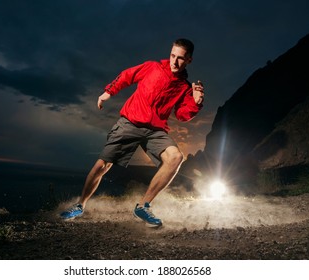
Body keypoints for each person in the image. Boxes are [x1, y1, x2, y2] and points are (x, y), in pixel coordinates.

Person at [60, 38, 204, 227]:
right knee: (101, 167)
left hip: (155, 130)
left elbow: (183, 115)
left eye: (180, 58)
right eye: (172, 56)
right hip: (130, 122)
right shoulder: (152, 67)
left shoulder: (185, 88)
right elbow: (127, 75)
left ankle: (143, 207)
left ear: (189, 60)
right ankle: (79, 205)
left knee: (175, 157)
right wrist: (108, 92)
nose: (174, 62)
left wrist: (196, 101)